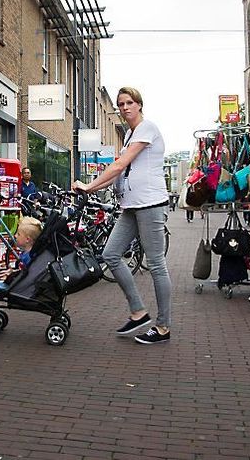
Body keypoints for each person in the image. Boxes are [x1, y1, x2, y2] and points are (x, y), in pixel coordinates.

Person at [73, 87, 172, 344]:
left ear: (139, 104)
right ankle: (139, 311)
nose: (125, 107)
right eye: (120, 104)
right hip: (131, 206)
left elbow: (119, 165)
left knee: (157, 265)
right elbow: (117, 172)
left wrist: (89, 186)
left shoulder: (147, 128)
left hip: (150, 203)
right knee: (110, 254)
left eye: (129, 102)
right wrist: (89, 186)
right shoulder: (129, 134)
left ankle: (163, 327)